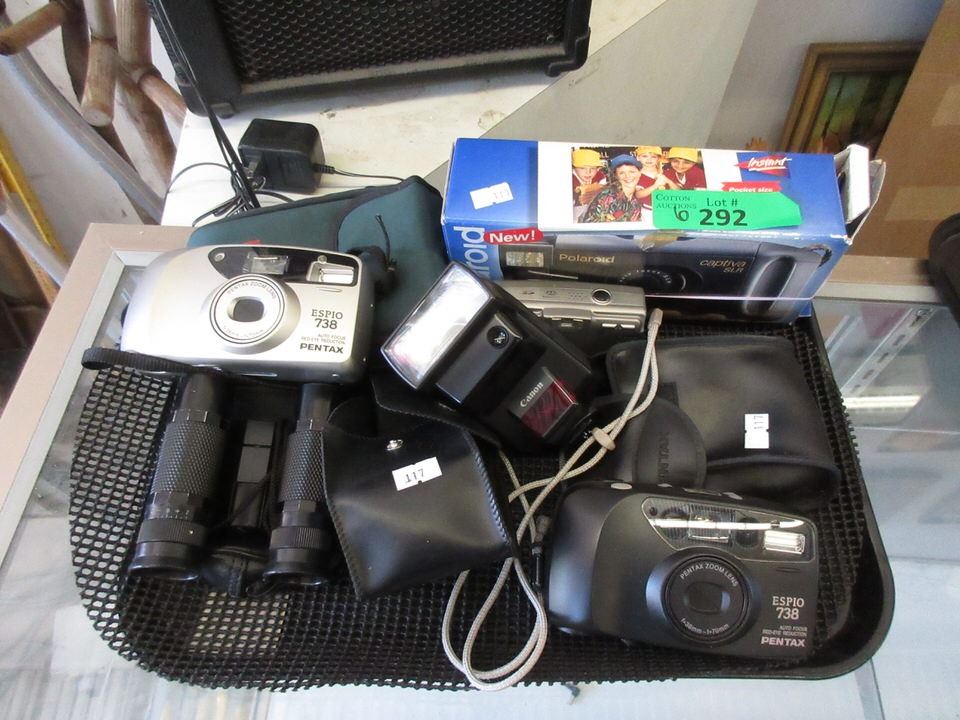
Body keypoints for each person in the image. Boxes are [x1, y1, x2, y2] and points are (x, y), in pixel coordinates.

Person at [579, 154, 646, 223]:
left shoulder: (635, 201)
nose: (627, 176)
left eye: (632, 172)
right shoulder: (609, 196)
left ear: (639, 173)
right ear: (616, 176)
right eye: (622, 173)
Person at [633, 145, 675, 216]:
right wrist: (655, 185)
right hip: (648, 211)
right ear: (638, 157)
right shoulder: (636, 175)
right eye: (645, 156)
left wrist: (668, 181)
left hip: (668, 210)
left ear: (659, 159)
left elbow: (680, 192)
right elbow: (638, 195)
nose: (649, 159)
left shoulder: (667, 173)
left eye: (653, 157)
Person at [571, 148, 607, 220]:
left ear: (598, 169)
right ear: (574, 168)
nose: (588, 172)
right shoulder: (571, 180)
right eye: (582, 168)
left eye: (592, 168)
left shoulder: (600, 176)